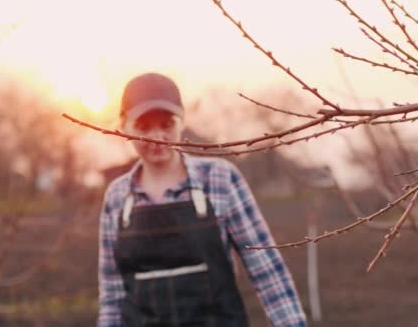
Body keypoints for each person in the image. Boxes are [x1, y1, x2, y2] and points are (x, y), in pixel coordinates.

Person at [97, 72, 306, 326]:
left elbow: (266, 269)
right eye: (143, 127)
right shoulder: (117, 197)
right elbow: (113, 294)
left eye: (166, 125)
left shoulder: (219, 178)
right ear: (124, 127)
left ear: (181, 122)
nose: (156, 137)